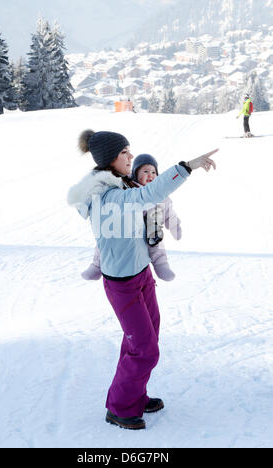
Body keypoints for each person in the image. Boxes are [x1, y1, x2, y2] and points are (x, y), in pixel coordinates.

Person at [68, 129, 218, 430]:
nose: (131, 157)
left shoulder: (121, 185)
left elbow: (149, 202)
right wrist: (187, 166)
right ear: (111, 159)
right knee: (145, 349)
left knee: (144, 338)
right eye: (125, 152)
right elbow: (151, 192)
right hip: (123, 285)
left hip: (141, 276)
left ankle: (134, 394)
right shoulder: (110, 197)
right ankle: (120, 407)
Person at [81, 153, 182, 282]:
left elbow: (169, 211)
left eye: (153, 172)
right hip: (129, 226)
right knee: (107, 240)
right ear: (135, 174)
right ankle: (96, 266)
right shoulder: (128, 188)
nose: (150, 175)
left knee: (156, 244)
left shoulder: (161, 194)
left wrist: (175, 226)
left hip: (151, 228)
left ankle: (161, 265)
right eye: (145, 171)